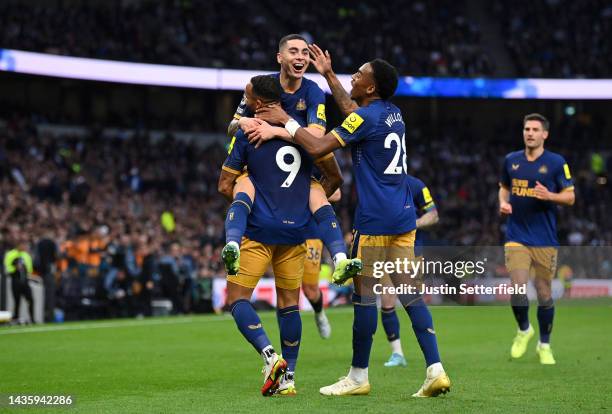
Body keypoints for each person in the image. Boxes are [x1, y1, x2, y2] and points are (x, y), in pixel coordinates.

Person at [252, 45, 451, 397]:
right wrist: (328, 75)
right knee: (411, 296)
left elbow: (317, 148)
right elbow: (355, 115)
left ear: (371, 88)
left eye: (358, 74)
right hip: (404, 218)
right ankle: (436, 369)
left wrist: (286, 121)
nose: (353, 77)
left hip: (374, 221)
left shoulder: (365, 118)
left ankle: (358, 376)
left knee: (364, 298)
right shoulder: (394, 114)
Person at [218, 74, 362, 397]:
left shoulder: (248, 131)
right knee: (289, 305)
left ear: (256, 103)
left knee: (237, 300)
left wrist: (250, 196)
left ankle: (270, 356)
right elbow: (334, 175)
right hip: (297, 232)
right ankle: (289, 377)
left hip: (257, 231)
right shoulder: (307, 137)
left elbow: (223, 185)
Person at [221, 33, 352, 340]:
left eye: (305, 53)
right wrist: (246, 124)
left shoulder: (313, 90)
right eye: (293, 51)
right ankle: (234, 242)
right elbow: (232, 124)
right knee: (241, 184)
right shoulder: (258, 87)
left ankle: (336, 268)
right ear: (279, 57)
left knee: (307, 286)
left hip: (301, 172)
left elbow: (318, 139)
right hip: (267, 175)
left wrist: (274, 130)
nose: (300, 57)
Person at [499, 113, 575, 365]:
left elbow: (570, 197)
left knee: (543, 293)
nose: (529, 133)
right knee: (518, 287)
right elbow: (504, 186)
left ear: (545, 134)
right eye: (526, 129)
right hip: (516, 236)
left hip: (544, 238)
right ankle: (523, 329)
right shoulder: (511, 160)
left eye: (535, 129)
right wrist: (503, 203)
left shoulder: (556, 162)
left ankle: (544, 344)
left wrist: (550, 196)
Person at [380, 175, 439, 368]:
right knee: (387, 302)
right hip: (385, 250)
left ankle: (430, 355)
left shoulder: (416, 185)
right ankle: (397, 353)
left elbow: (433, 214)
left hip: (412, 251)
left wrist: (413, 224)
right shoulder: (378, 184)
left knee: (412, 301)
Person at [4, 237, 35, 323]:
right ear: (18, 245)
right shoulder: (10, 254)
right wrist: (15, 268)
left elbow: (30, 269)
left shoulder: (26, 255)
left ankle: (32, 318)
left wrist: (25, 269)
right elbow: (7, 268)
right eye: (22, 245)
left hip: (25, 280)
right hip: (15, 280)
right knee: (17, 300)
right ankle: (16, 318)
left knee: (30, 299)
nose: (24, 247)